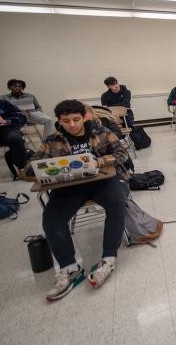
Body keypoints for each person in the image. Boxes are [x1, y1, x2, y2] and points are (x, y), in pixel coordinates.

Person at [25, 100, 129, 301]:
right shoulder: (52, 140)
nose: (72, 125)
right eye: (66, 121)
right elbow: (30, 167)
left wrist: (99, 160)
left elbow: (122, 153)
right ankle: (69, 267)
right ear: (59, 121)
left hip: (102, 181)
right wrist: (46, 166)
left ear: (84, 117)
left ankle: (108, 258)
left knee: (117, 202)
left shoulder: (101, 132)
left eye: (76, 119)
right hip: (69, 187)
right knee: (51, 216)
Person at [0, 97, 28, 174]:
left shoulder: (3, 103)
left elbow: (21, 117)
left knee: (16, 138)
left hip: (7, 130)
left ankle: (23, 169)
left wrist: (5, 121)